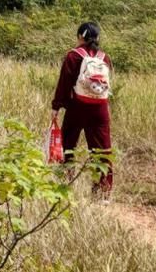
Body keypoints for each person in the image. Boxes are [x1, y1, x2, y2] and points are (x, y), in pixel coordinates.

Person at [52, 21, 113, 199]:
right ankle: (102, 192)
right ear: (98, 38)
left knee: (68, 144)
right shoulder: (104, 57)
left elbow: (64, 84)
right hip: (100, 109)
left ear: (80, 37)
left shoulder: (73, 56)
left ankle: (65, 184)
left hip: (77, 107)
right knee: (102, 150)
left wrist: (56, 106)